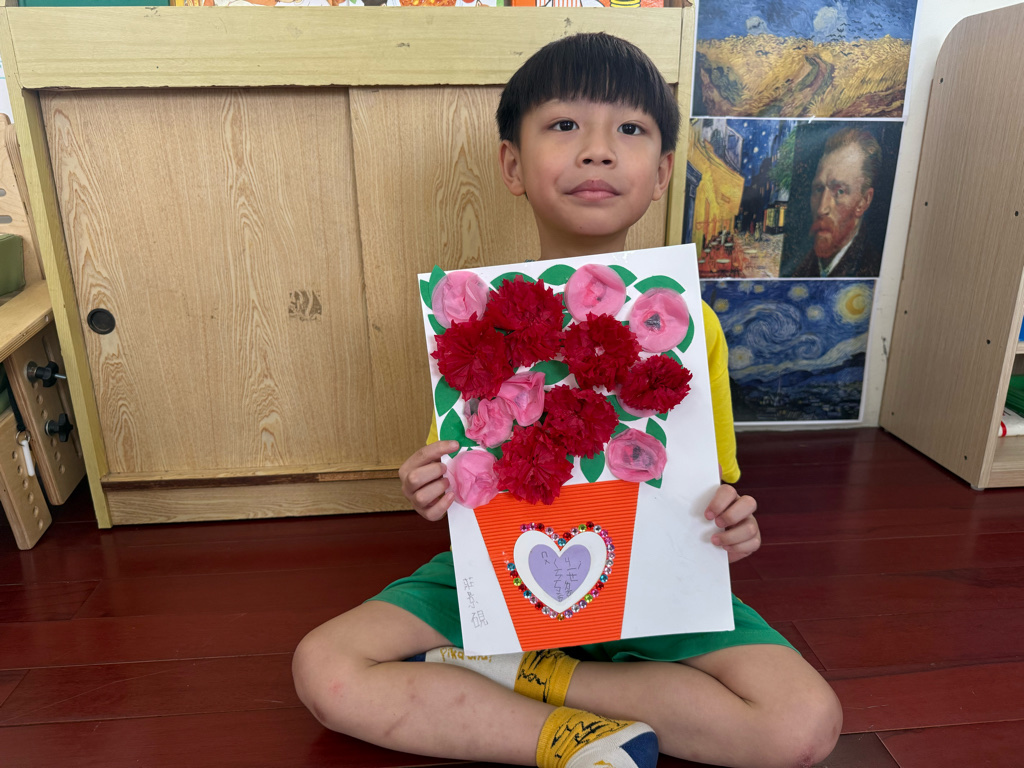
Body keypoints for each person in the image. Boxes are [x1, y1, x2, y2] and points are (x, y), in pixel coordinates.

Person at [292, 33, 842, 768]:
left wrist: (733, 518)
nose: (598, 151)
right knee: (325, 668)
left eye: (631, 130)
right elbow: (462, 473)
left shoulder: (687, 322)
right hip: (503, 573)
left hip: (658, 578)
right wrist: (429, 483)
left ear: (663, 172)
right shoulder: (471, 317)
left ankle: (524, 677)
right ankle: (562, 738)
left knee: (803, 723)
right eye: (563, 125)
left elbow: (714, 486)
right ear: (512, 165)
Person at [784, 128, 883, 278]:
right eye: (818, 189)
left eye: (840, 191)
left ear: (864, 201)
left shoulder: (872, 268)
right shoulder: (797, 266)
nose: (821, 208)